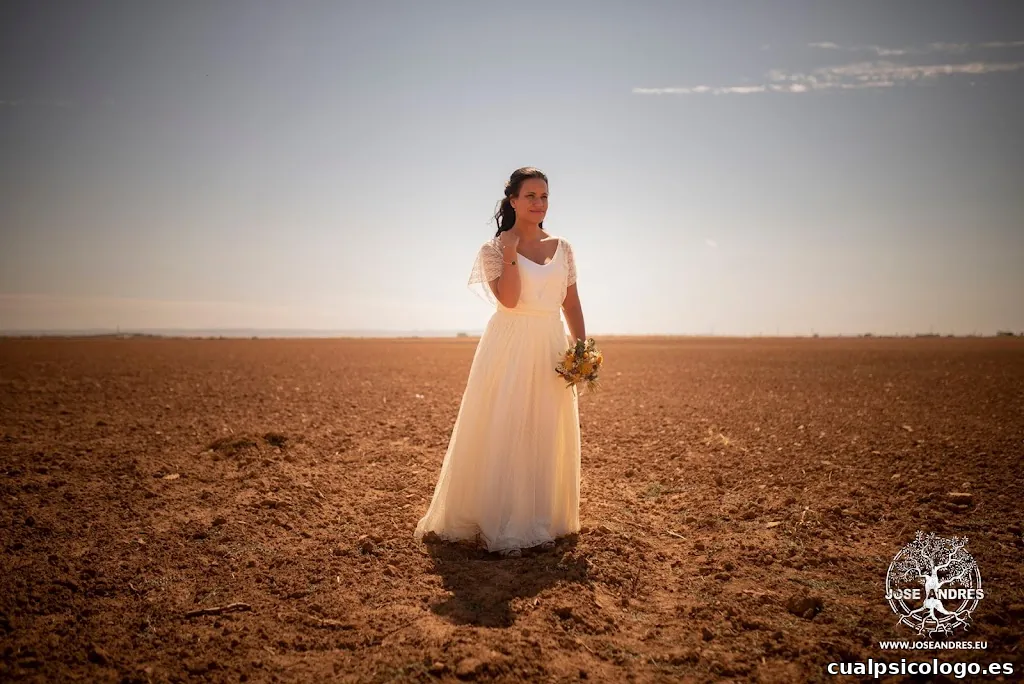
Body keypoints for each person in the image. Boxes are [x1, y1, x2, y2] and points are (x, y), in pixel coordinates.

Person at [413, 167, 586, 557]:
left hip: (551, 345)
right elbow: (508, 300)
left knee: (544, 423)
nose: (539, 203)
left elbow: (570, 302)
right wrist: (510, 251)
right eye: (530, 196)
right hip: (509, 345)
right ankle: (498, 516)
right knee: (506, 422)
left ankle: (542, 516)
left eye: (544, 196)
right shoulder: (493, 249)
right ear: (512, 201)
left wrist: (582, 348)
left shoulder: (564, 248)